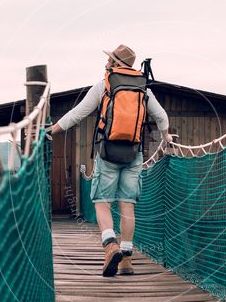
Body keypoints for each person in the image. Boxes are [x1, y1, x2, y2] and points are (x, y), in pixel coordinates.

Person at [48, 45, 171, 277]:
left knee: (102, 202)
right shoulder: (144, 88)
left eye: (109, 60)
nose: (105, 64)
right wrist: (165, 138)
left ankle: (110, 245)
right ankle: (126, 261)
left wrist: (53, 130)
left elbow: (77, 113)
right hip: (134, 153)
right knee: (127, 205)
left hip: (107, 152)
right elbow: (162, 117)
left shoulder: (104, 85)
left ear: (115, 63)